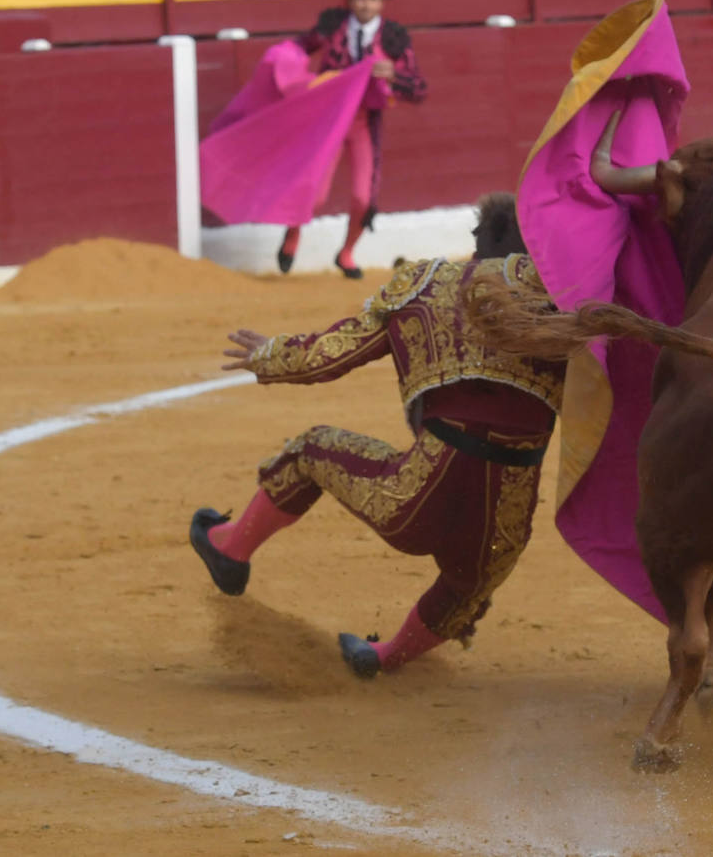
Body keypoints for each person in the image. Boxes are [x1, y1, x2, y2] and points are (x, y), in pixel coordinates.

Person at [189, 194, 565, 678]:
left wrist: (269, 354)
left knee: (309, 449)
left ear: (478, 240)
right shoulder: (563, 308)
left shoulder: (426, 287)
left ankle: (229, 549)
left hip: (412, 500)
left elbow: (331, 355)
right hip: (502, 531)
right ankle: (383, 657)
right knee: (466, 588)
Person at [276, 0, 428, 278]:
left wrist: (393, 75)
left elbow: (419, 87)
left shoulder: (394, 37)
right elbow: (296, 50)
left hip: (363, 122)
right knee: (315, 193)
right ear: (349, 0)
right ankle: (292, 234)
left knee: (363, 196)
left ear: (381, 3)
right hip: (328, 121)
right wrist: (296, 80)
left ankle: (346, 253)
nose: (365, 4)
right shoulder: (333, 27)